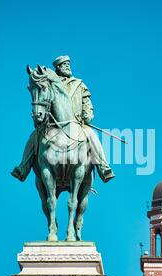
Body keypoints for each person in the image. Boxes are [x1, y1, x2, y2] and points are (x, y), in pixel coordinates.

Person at [11, 55, 115, 183]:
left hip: (77, 123)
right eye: (64, 64)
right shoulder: (50, 83)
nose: (68, 66)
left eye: (68, 64)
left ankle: (103, 166)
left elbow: (87, 102)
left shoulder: (79, 84)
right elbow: (43, 99)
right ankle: (23, 167)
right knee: (34, 137)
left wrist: (87, 114)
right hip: (52, 124)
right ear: (58, 67)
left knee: (92, 135)